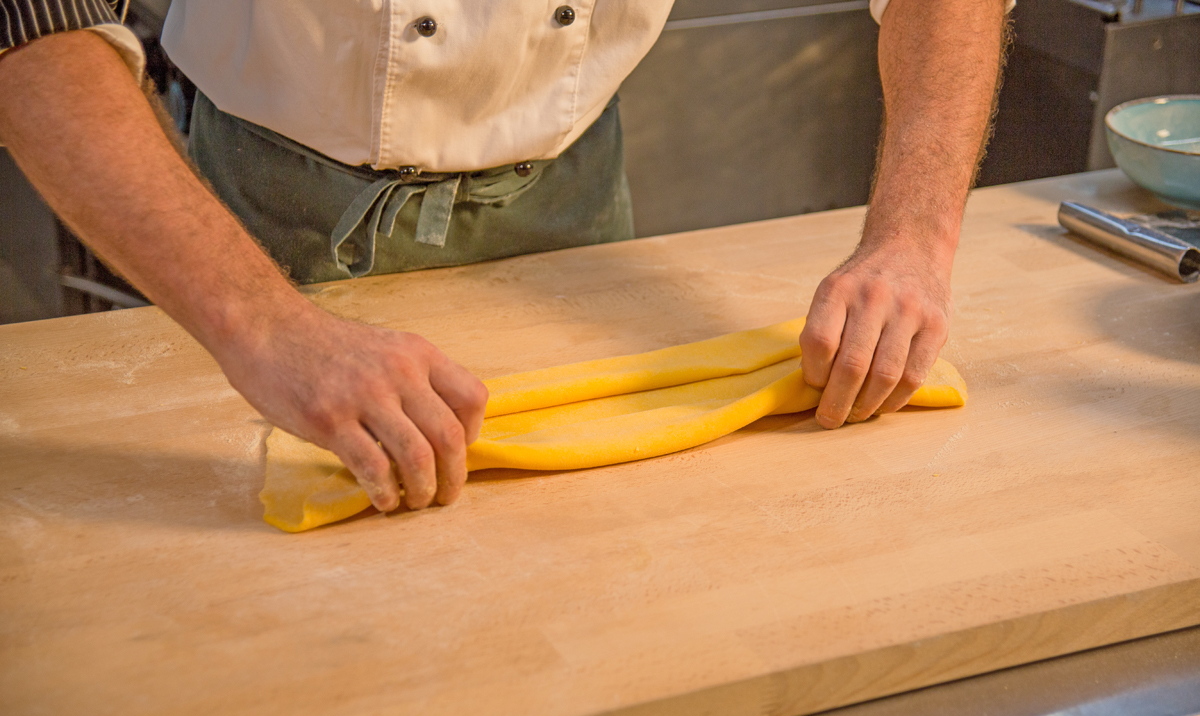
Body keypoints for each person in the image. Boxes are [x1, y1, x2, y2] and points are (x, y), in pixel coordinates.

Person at [0, 0, 1008, 515]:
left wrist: (915, 236)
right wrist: (261, 326)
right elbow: (34, 25)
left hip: (568, 189)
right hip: (262, 204)